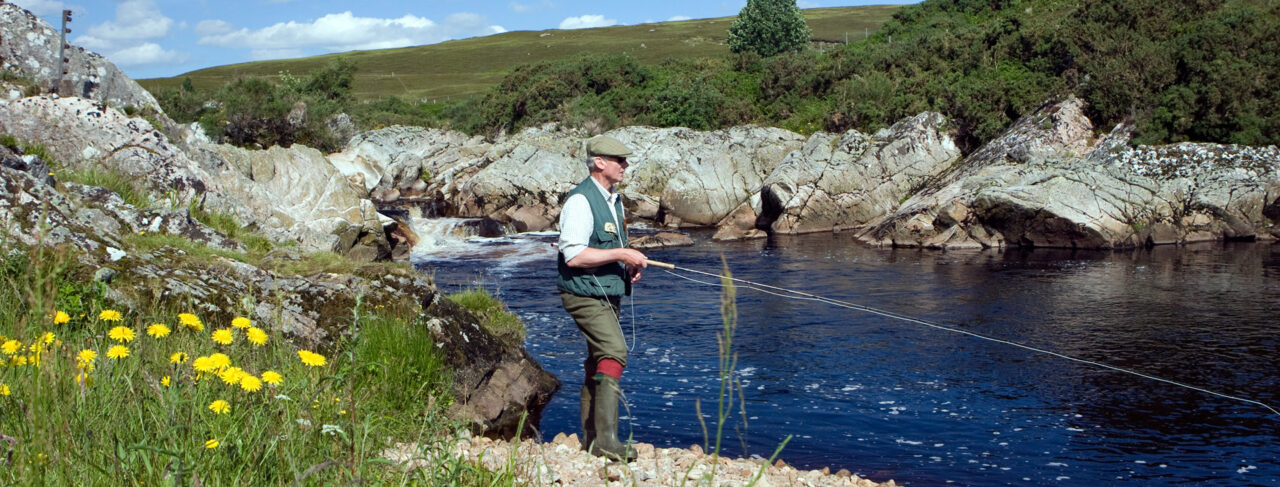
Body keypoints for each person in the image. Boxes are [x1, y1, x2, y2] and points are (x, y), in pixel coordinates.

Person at [557, 135, 648, 462]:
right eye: (619, 160)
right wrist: (622, 252)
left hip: (606, 292)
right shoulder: (580, 201)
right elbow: (574, 256)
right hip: (582, 293)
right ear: (599, 163)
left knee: (598, 359)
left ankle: (592, 440)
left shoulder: (613, 199)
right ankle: (608, 440)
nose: (625, 165)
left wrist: (626, 264)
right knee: (613, 351)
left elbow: (604, 251)